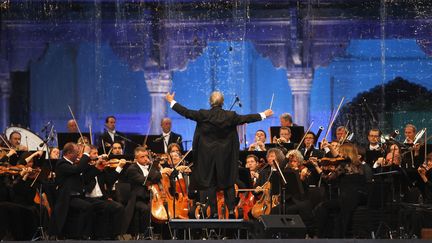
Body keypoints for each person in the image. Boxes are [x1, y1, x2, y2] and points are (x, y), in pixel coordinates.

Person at [165, 91, 273, 219]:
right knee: (228, 181)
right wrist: (263, 115)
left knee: (210, 182)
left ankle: (214, 212)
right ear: (222, 102)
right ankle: (232, 210)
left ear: (210, 102)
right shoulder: (230, 115)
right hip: (225, 156)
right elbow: (246, 118)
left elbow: (186, 112)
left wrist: (172, 101)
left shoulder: (203, 114)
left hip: (207, 156)